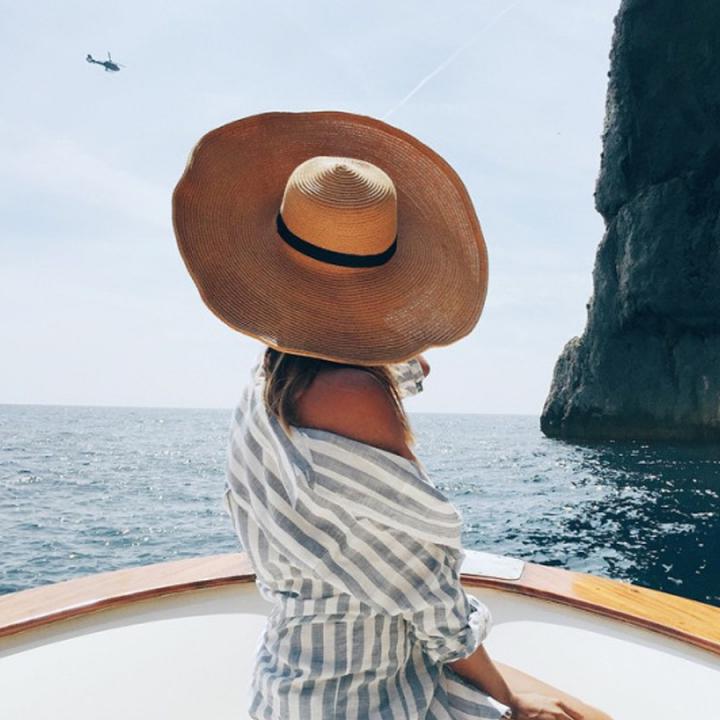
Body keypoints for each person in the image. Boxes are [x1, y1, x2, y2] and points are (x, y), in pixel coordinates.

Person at [172, 111, 613, 720]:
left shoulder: (267, 383)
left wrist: (385, 337)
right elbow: (431, 602)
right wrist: (512, 697)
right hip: (365, 699)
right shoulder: (353, 398)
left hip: (295, 685)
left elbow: (399, 369)